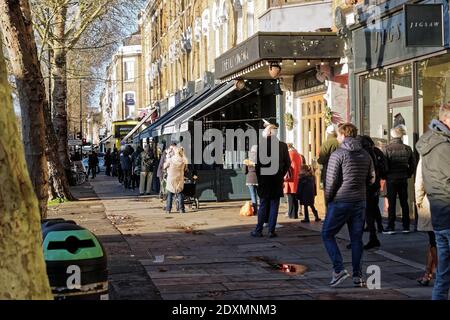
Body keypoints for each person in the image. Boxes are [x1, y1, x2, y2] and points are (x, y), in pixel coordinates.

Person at [321, 123, 375, 288]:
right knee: (356, 239)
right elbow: (372, 178)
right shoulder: (366, 155)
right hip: (359, 201)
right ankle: (358, 276)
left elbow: (330, 181)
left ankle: (338, 270)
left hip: (341, 201)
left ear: (343, 135)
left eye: (338, 135)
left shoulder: (338, 155)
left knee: (327, 234)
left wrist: (328, 200)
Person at [416, 104, 450, 300]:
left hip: (438, 214)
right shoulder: (444, 146)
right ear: (446, 120)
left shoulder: (431, 143)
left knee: (443, 274)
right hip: (447, 210)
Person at [251, 123, 291, 238]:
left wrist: (260, 178)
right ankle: (271, 231)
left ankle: (258, 230)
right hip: (276, 180)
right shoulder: (283, 146)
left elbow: (257, 165)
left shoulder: (261, 145)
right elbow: (288, 163)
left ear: (268, 133)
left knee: (263, 204)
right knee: (274, 205)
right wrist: (281, 174)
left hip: (264, 180)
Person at [383, 126, 416, 234]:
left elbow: (385, 166)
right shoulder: (407, 148)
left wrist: (385, 175)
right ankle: (406, 226)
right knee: (404, 202)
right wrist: (408, 174)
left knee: (391, 203)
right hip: (403, 178)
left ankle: (391, 226)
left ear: (392, 135)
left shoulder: (387, 148)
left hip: (391, 178)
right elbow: (412, 164)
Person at [361, 135, 387, 250]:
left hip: (367, 186)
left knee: (366, 211)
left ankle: (372, 236)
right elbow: (385, 168)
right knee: (374, 207)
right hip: (375, 185)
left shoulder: (364, 153)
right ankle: (379, 227)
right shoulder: (376, 151)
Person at [415, 157, 437, 286]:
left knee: (434, 241)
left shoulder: (427, 153)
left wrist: (418, 201)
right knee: (434, 241)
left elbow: (419, 181)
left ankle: (439, 274)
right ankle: (427, 274)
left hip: (432, 202)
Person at [164, 147, 188, 214]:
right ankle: (181, 209)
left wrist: (167, 155)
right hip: (179, 178)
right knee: (180, 193)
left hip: (171, 178)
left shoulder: (171, 159)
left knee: (170, 194)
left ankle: (168, 209)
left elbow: (164, 166)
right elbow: (186, 168)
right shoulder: (183, 159)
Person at [318, 125, 339, 194]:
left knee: (328, 194)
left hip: (328, 171)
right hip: (339, 171)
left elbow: (321, 160)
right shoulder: (339, 142)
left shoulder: (325, 144)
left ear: (327, 133)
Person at [284, 143, 302, 219]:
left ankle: (291, 214)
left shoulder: (289, 154)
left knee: (290, 197)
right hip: (296, 177)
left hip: (290, 179)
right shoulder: (297, 154)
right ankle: (295, 214)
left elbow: (286, 164)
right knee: (294, 197)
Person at [243, 145, 258, 215]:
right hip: (258, 179)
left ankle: (255, 211)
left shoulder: (247, 160)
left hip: (250, 179)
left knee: (253, 195)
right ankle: (262, 210)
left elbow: (244, 171)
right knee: (260, 195)